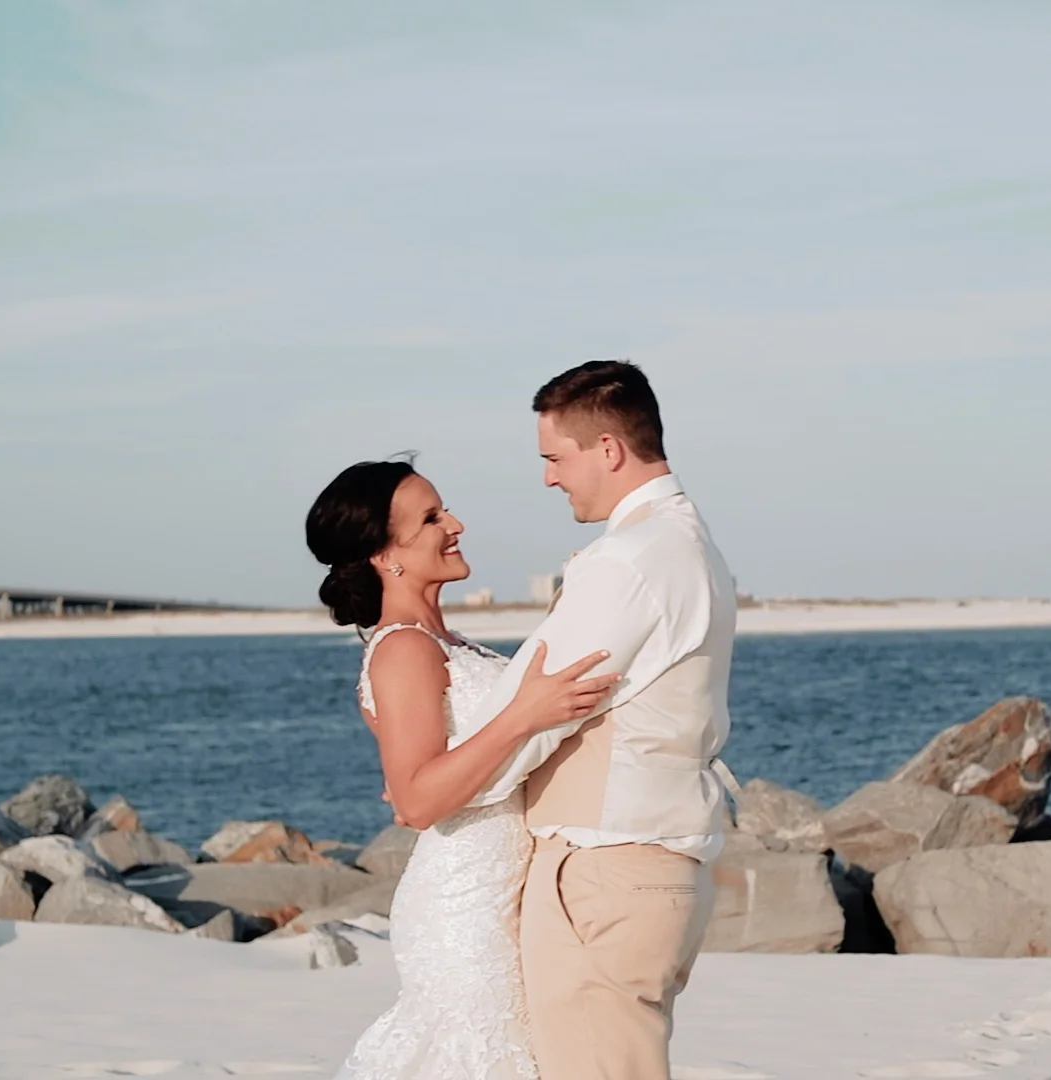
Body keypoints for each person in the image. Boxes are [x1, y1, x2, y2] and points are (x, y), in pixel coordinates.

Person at [467, 359, 738, 1080]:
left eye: (555, 458)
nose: (550, 478)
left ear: (609, 450)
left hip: (606, 863)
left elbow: (532, 706)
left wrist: (443, 782)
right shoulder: (691, 545)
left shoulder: (633, 559)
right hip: (654, 859)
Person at [307, 455, 618, 1080]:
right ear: (384, 554)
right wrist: (521, 716)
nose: (456, 523)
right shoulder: (401, 649)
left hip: (507, 891)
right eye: (431, 517)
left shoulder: (448, 644)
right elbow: (418, 802)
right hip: (464, 907)